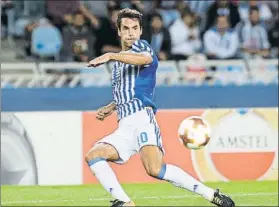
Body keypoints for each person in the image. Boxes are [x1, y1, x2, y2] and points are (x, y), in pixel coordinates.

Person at [85, 8, 235, 207]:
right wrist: (111, 106)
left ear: (140, 31)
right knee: (93, 155)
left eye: (135, 28)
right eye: (126, 28)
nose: (131, 32)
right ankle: (124, 202)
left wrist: (111, 55)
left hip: (142, 120)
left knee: (154, 169)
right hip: (124, 125)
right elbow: (130, 90)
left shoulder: (141, 48)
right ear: (119, 31)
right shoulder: (119, 64)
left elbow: (146, 60)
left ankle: (210, 194)